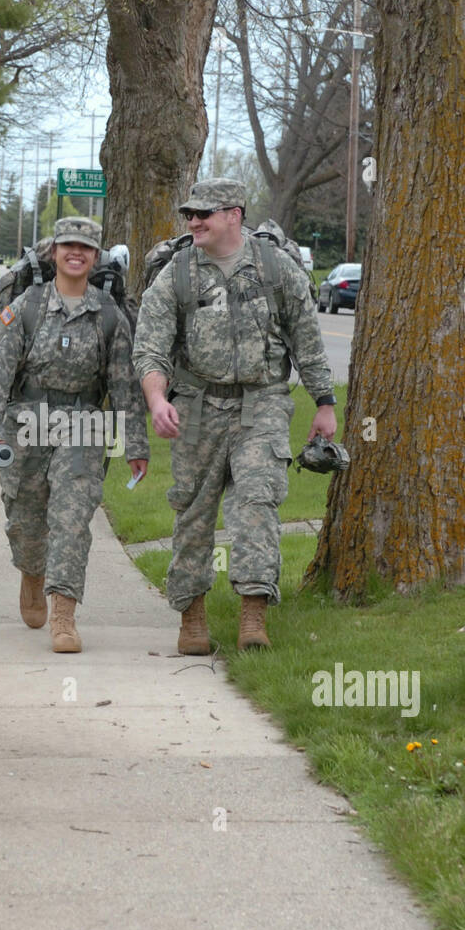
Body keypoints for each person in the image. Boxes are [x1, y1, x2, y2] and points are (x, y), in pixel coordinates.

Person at [132, 178, 337, 653]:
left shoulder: (274, 268)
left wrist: (324, 403)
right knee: (193, 512)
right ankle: (192, 618)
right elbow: (150, 349)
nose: (194, 221)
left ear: (234, 215)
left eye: (205, 213)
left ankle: (253, 616)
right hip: (196, 406)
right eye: (190, 214)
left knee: (257, 503)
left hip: (262, 402)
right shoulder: (176, 274)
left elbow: (306, 337)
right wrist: (158, 400)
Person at [0, 216, 149, 653]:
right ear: (55, 253)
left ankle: (64, 615)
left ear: (94, 257)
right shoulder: (26, 308)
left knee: (72, 518)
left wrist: (135, 444)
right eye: (68, 245)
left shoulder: (109, 315)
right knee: (25, 520)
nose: (76, 253)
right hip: (26, 424)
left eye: (85, 248)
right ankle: (32, 574)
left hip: (84, 425)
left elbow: (124, 387)